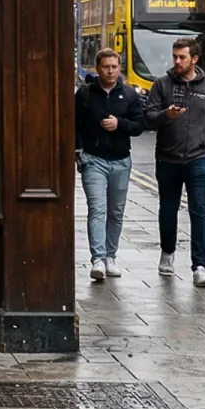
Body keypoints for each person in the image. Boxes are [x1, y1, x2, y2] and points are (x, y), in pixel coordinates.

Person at [143, 38, 205, 288]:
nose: (177, 61)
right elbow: (148, 118)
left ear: (195, 59)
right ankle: (167, 253)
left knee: (199, 211)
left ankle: (200, 266)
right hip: (168, 158)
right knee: (168, 209)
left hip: (199, 158)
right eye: (175, 56)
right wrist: (165, 115)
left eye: (182, 57)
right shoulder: (161, 85)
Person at [74, 49, 144, 280]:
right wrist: (78, 150)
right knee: (97, 208)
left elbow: (139, 126)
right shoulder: (84, 94)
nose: (111, 71)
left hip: (121, 161)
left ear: (119, 68)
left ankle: (111, 257)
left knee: (116, 212)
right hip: (93, 160)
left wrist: (119, 123)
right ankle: (98, 259)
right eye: (106, 67)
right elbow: (74, 123)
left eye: (114, 67)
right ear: (98, 68)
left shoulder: (130, 95)